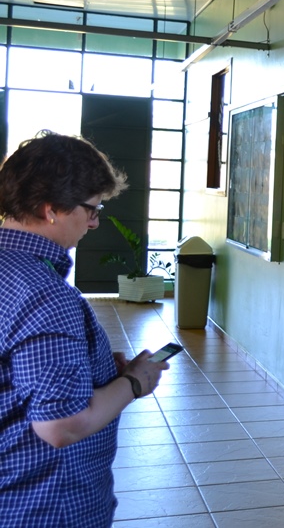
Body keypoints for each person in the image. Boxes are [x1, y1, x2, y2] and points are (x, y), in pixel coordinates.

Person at [0, 131, 170, 527]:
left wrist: (94, 369)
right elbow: (61, 425)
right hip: (44, 505)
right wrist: (134, 383)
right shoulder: (45, 295)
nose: (94, 223)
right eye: (91, 209)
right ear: (51, 209)